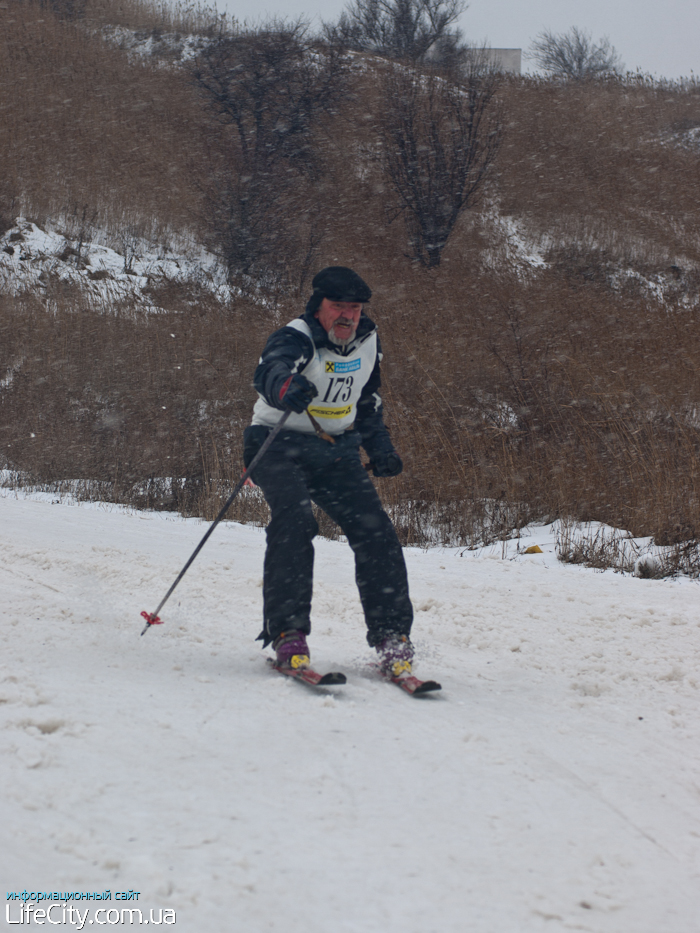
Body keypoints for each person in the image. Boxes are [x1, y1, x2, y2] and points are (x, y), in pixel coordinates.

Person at [243, 266, 415, 677]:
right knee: (296, 521)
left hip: (334, 450)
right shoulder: (296, 336)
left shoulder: (367, 341)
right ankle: (288, 635)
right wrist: (284, 386)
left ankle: (393, 638)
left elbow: (367, 399)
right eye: (338, 307)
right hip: (276, 443)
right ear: (318, 306)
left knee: (376, 533)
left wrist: (380, 447)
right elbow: (270, 369)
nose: (347, 316)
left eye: (354, 309)